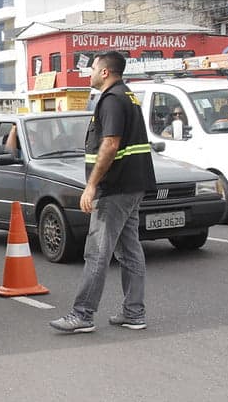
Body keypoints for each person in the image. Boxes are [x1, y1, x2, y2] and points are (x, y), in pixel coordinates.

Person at [49, 51, 156, 334]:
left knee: (96, 253)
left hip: (115, 187)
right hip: (132, 184)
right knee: (129, 250)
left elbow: (109, 145)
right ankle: (134, 313)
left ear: (106, 72)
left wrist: (92, 185)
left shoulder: (111, 100)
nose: (90, 72)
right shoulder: (127, 95)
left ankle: (82, 314)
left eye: (93, 68)